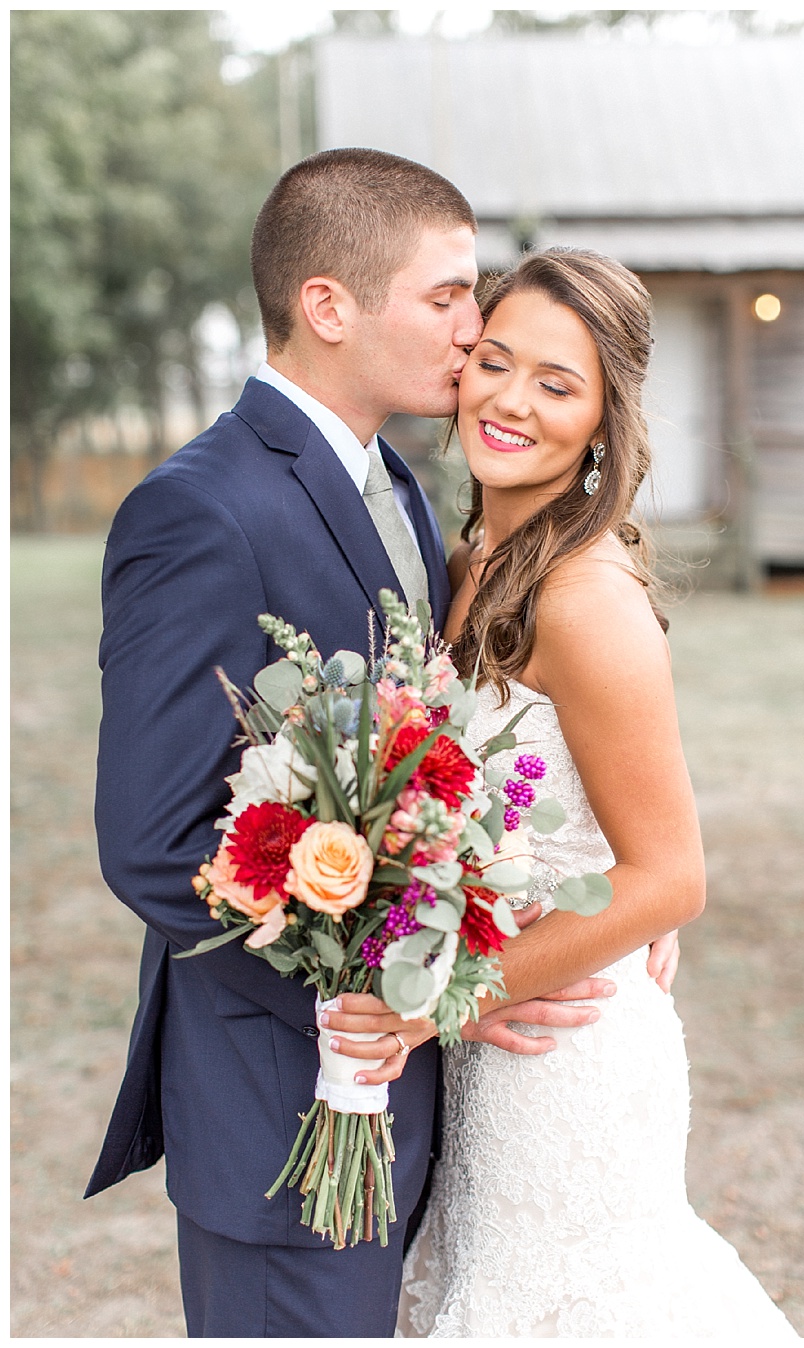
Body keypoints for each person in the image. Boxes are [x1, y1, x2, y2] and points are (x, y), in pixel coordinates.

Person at [86, 149, 639, 1338]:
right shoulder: (200, 509)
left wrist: (595, 887)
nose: (474, 326)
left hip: (417, 1110)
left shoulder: (396, 481)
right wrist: (402, 995)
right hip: (285, 1108)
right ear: (328, 306)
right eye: (447, 296)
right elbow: (152, 843)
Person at [371, 248, 796, 1336]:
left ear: (605, 419)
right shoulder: (466, 563)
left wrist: (443, 1001)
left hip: (567, 1054)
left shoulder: (586, 594)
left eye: (556, 384)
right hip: (490, 1042)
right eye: (496, 363)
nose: (511, 401)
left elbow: (672, 877)